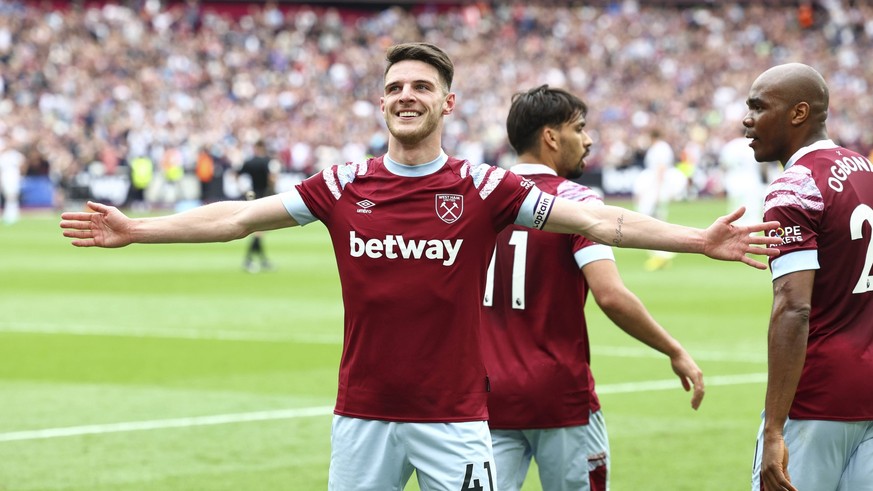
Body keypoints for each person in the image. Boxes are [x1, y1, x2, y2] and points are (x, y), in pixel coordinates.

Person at [60, 42, 780, 491]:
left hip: (456, 418)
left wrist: (696, 239)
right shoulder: (344, 184)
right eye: (397, 87)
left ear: (446, 102)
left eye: (421, 87)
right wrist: (137, 229)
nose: (407, 96)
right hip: (362, 416)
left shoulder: (482, 187)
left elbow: (600, 219)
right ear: (382, 103)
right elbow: (238, 217)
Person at [482, 85, 704, 491]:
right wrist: (674, 349)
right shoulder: (576, 202)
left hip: (488, 396)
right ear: (551, 137)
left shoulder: (481, 201)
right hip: (560, 396)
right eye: (579, 128)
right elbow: (611, 296)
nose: (588, 139)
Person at [746, 63, 873, 491]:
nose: (747, 119)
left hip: (818, 399)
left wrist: (774, 430)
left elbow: (793, 306)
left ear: (798, 113)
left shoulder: (795, 185)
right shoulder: (865, 170)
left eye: (759, 107)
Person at [632, 128, 685, 271]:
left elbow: (661, 169)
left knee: (651, 220)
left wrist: (657, 191)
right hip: (654, 187)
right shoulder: (658, 148)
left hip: (656, 187)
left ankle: (662, 253)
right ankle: (661, 253)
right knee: (651, 220)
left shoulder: (660, 148)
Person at [237, 140, 279, 272]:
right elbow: (272, 178)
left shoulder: (249, 162)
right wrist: (272, 190)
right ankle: (248, 260)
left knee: (258, 230)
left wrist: (243, 190)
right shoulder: (267, 161)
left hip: (252, 196)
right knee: (259, 231)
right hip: (264, 197)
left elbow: (237, 175)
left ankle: (262, 260)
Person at [718, 132, 769, 226]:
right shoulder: (755, 144)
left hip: (734, 181)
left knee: (735, 211)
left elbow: (724, 166)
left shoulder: (731, 145)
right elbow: (763, 164)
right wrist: (765, 179)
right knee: (752, 211)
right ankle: (752, 235)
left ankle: (734, 231)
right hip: (752, 180)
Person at [0, 139, 27, 225]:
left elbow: (24, 163)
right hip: (5, 177)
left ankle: (13, 214)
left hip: (13, 177)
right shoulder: (3, 155)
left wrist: (22, 174)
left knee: (12, 196)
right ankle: (9, 213)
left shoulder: (15, 155)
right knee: (7, 195)